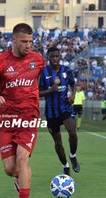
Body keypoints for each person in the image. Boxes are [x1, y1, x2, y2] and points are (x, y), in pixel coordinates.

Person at [0, 23, 44, 198]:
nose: (28, 45)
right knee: (10, 168)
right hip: (7, 119)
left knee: (22, 157)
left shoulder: (38, 60)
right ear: (14, 40)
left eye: (31, 42)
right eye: (24, 41)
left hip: (29, 117)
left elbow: (39, 83)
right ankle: (18, 177)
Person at [39, 46, 80, 177]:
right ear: (48, 58)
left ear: (60, 57)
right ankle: (65, 165)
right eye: (52, 56)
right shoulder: (43, 73)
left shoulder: (67, 71)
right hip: (51, 113)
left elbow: (73, 84)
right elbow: (37, 92)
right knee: (58, 142)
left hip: (65, 108)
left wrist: (73, 95)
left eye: (57, 56)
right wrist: (50, 91)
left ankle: (73, 156)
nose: (55, 59)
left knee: (72, 132)